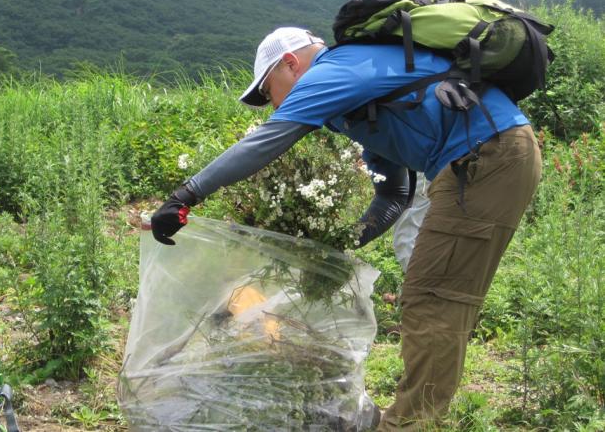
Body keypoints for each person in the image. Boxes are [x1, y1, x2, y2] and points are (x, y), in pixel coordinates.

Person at [151, 26, 542, 430]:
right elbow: (394, 192)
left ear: (290, 64)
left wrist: (185, 195)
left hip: (486, 157)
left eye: (270, 91)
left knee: (434, 300)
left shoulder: (333, 72)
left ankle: (410, 425)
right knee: (431, 296)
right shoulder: (358, 104)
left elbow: (270, 139)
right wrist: (332, 251)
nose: (273, 104)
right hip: (484, 157)